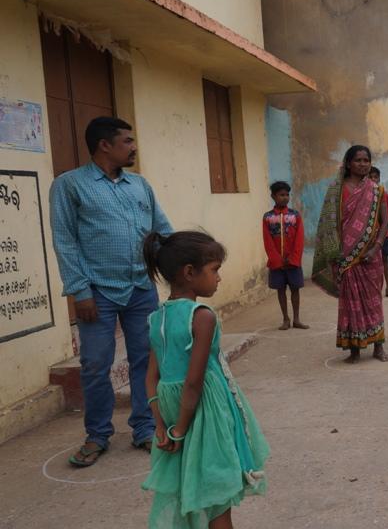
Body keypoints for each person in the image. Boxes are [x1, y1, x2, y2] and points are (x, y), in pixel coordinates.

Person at [50, 116, 173, 467]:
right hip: (97, 292)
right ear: (105, 145)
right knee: (94, 364)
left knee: (146, 359)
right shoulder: (69, 185)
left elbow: (161, 232)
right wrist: (80, 291)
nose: (134, 147)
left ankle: (145, 428)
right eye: (127, 141)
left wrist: (183, 264)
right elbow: (65, 241)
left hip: (140, 288)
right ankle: (98, 434)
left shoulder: (140, 185)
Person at [141, 231, 268, 528]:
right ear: (189, 273)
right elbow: (194, 382)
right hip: (202, 412)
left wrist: (161, 425)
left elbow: (150, 378)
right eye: (214, 270)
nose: (219, 278)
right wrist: (181, 428)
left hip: (171, 410)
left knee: (186, 487)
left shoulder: (156, 318)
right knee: (216, 495)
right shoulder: (202, 316)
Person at [311, 145, 388, 363]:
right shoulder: (336, 190)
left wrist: (375, 248)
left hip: (370, 256)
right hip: (346, 257)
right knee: (350, 303)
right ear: (348, 163)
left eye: (366, 160)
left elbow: (384, 221)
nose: (363, 164)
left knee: (373, 301)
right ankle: (354, 349)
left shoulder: (377, 190)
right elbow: (328, 223)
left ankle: (378, 347)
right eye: (358, 160)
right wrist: (334, 251)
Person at [263, 181, 308, 331]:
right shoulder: (268, 217)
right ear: (273, 196)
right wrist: (277, 259)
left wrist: (294, 258)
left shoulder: (295, 216)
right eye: (281, 195)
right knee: (280, 290)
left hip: (293, 262)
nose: (285, 198)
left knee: (295, 289)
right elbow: (268, 241)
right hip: (277, 263)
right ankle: (285, 319)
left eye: (287, 195)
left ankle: (297, 319)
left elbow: (299, 239)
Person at [368, 166, 388, 299]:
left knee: (384, 259)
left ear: (379, 179)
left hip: (383, 234)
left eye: (376, 177)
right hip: (368, 235)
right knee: (369, 263)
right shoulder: (363, 195)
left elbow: (387, 216)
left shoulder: (383, 194)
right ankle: (372, 289)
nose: (373, 179)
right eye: (370, 177)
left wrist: (381, 231)